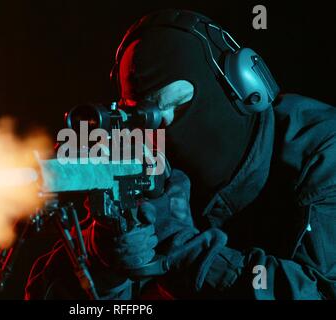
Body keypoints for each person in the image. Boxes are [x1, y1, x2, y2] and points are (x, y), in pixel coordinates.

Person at [25, 9, 336, 299]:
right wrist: (100, 261)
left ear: (241, 85)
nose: (167, 126)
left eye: (178, 104)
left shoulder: (320, 148)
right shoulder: (149, 165)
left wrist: (183, 250)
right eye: (147, 117)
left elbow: (319, 290)